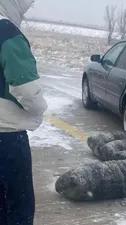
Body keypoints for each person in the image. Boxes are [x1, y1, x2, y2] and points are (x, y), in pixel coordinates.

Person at [0, 1, 47, 224]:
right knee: (17, 210)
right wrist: (40, 108)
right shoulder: (7, 33)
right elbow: (28, 91)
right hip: (6, 138)